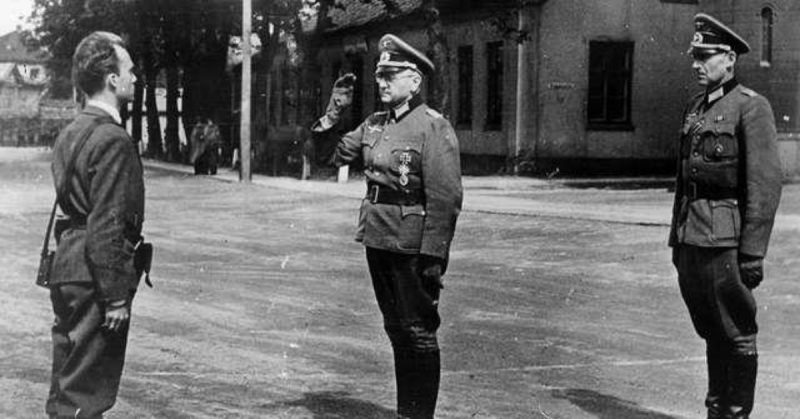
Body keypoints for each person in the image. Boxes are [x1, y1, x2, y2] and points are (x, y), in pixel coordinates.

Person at [311, 34, 462, 418]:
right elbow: (329, 155)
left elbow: (445, 199)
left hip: (412, 244)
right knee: (396, 329)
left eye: (391, 76)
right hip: (378, 237)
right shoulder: (373, 125)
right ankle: (405, 412)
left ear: (414, 81)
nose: (381, 83)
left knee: (418, 331)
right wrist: (333, 114)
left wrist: (434, 255)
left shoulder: (433, 127)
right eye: (379, 76)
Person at [669, 13, 782, 419]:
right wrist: (676, 240)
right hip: (692, 240)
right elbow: (684, 182)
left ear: (729, 59)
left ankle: (734, 414)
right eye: (694, 57)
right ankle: (716, 411)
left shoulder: (751, 108)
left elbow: (765, 186)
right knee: (711, 331)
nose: (697, 64)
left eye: (706, 56)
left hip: (726, 243)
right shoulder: (696, 108)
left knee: (735, 332)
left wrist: (752, 253)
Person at [48, 31, 146, 419]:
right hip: (94, 274)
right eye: (130, 71)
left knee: (67, 381)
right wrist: (117, 297)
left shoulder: (71, 132)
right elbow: (107, 223)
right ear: (111, 79)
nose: (135, 78)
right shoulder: (112, 139)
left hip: (67, 268)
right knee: (87, 391)